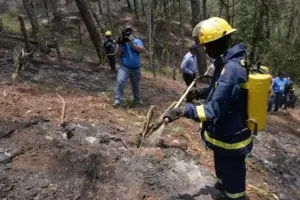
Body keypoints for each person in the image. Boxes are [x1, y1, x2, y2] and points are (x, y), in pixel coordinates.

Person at [164, 17, 251, 200]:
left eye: (208, 45)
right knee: (221, 170)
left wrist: (183, 111)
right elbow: (221, 92)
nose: (206, 50)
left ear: (219, 41)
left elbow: (213, 109)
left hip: (232, 137)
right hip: (223, 134)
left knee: (234, 181)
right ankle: (221, 189)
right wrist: (202, 93)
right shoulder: (225, 64)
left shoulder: (232, 70)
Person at [113, 27, 145, 107]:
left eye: (130, 33)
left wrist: (132, 44)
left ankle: (137, 100)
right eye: (127, 33)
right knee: (120, 81)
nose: (128, 35)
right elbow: (117, 55)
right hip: (125, 67)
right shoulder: (121, 42)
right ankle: (118, 100)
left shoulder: (137, 41)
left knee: (136, 85)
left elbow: (142, 50)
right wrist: (120, 44)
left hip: (136, 68)